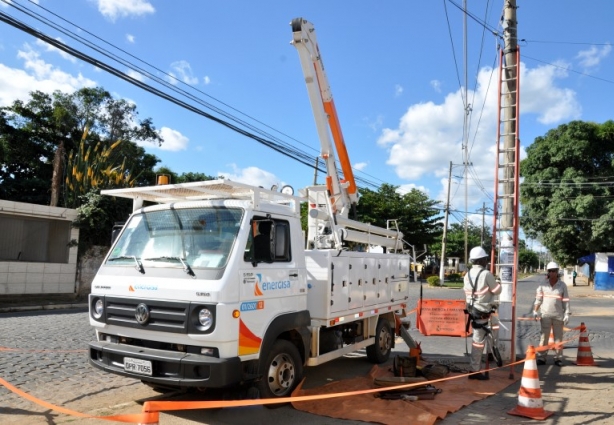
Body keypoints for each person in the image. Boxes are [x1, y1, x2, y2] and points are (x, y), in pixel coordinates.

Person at [463, 246, 502, 380]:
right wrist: (498, 281)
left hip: (473, 310)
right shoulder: (486, 274)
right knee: (478, 343)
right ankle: (474, 371)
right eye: (485, 258)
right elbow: (497, 290)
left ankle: (491, 351)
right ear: (481, 260)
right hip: (482, 312)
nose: (487, 261)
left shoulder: (467, 274)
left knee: (495, 325)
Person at [533, 261, 571, 366]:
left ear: (557, 272)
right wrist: (535, 311)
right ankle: (541, 357)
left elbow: (566, 300)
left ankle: (558, 358)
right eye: (550, 271)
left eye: (554, 271)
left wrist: (567, 313)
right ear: (548, 272)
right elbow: (538, 299)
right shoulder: (542, 285)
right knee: (543, 337)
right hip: (545, 315)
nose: (552, 273)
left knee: (558, 338)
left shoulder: (562, 285)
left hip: (558, 315)